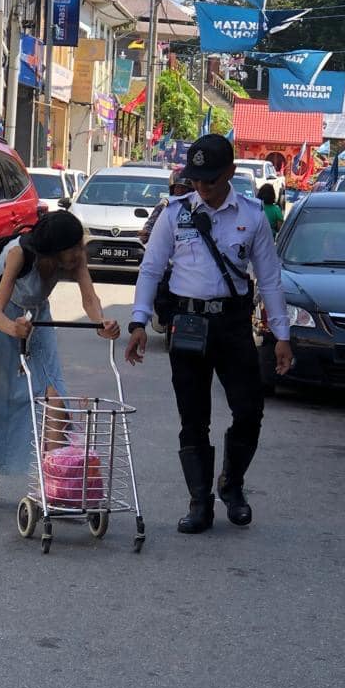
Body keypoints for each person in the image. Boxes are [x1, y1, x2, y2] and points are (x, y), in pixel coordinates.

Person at [124, 134, 293, 534]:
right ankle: (200, 502)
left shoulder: (251, 216)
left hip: (233, 325)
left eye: (210, 181)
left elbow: (269, 279)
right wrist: (138, 321)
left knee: (249, 410)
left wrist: (281, 335)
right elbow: (151, 269)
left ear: (230, 174)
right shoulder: (175, 214)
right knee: (193, 416)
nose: (201, 188)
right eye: (196, 180)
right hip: (188, 324)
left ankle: (231, 485)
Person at [0, 211, 120, 507]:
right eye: (72, 249)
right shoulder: (18, 255)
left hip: (36, 315)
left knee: (53, 392)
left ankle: (54, 484)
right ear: (52, 250)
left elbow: (90, 298)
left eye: (79, 246)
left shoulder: (76, 258)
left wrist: (102, 324)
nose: (78, 253)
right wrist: (15, 329)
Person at [139, 168, 194, 245]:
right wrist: (146, 233)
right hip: (169, 245)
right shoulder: (165, 204)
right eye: (177, 187)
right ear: (172, 188)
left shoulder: (197, 204)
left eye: (184, 188)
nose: (180, 190)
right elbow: (151, 223)